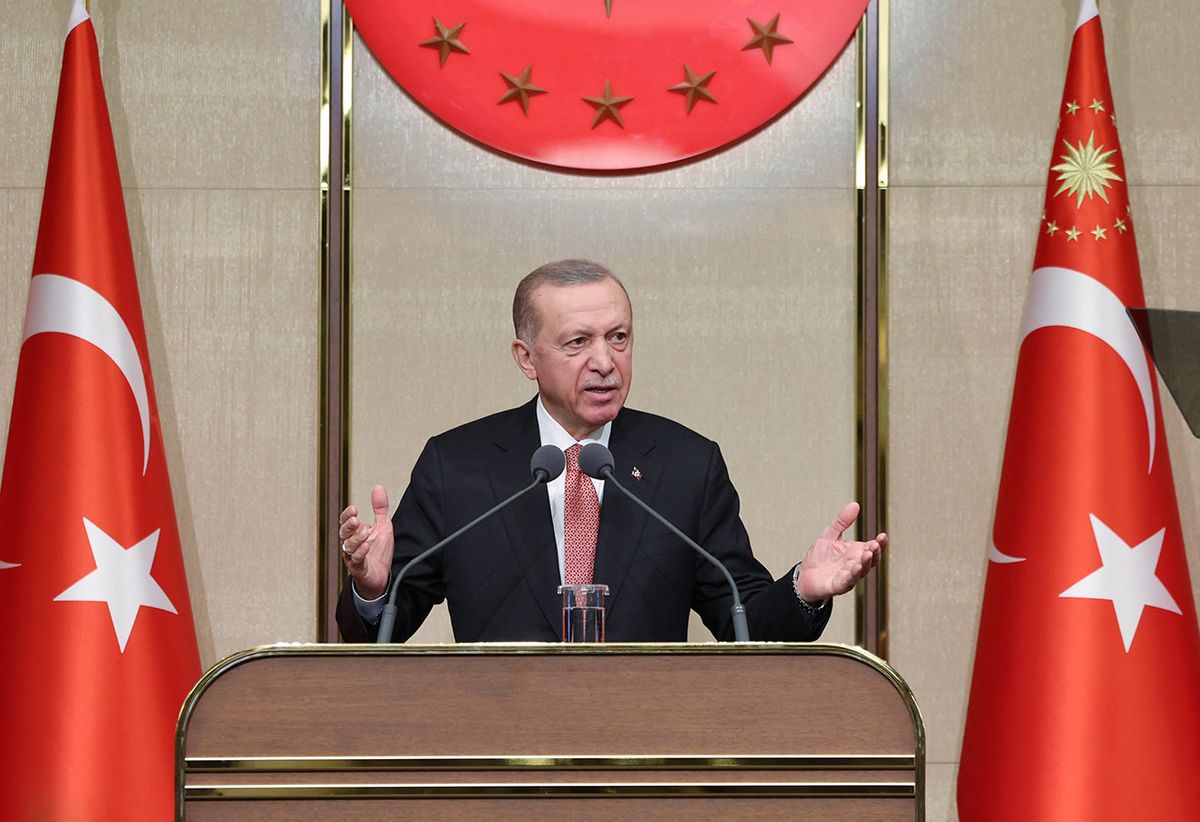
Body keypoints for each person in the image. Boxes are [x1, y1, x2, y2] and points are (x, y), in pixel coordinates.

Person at [337, 259, 885, 643]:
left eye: (618, 338)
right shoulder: (456, 466)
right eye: (578, 342)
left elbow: (745, 624)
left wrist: (802, 590)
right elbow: (384, 627)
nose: (604, 361)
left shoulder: (686, 465)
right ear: (526, 358)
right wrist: (372, 588)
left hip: (645, 764)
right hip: (500, 757)